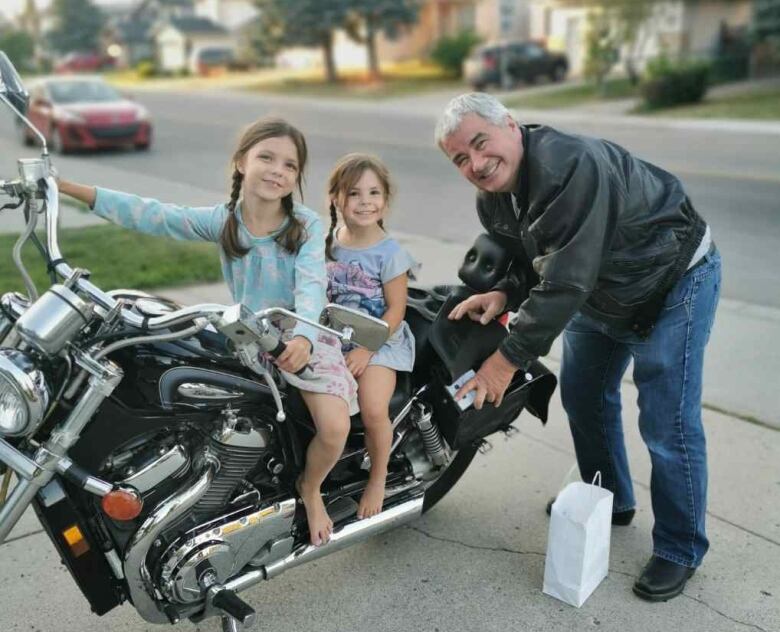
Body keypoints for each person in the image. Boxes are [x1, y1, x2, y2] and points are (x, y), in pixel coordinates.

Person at [436, 93, 720, 602]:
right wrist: (504, 291)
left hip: (672, 282)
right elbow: (541, 259)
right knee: (583, 395)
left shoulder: (572, 165)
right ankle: (610, 499)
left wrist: (505, 362)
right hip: (599, 291)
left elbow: (566, 280)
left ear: (510, 125)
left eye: (480, 143)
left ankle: (680, 548)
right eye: (460, 159)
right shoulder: (495, 195)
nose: (476, 164)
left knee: (667, 421)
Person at [58, 117, 357, 547]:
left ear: (296, 178)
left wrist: (304, 339)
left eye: (290, 165)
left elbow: (311, 284)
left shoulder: (306, 225)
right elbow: (155, 215)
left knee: (333, 427)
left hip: (300, 330)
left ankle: (311, 490)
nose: (277, 170)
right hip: (245, 333)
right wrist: (70, 189)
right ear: (241, 163)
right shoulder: (225, 222)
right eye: (266, 158)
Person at [324, 153, 418, 519]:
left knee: (374, 406)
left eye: (374, 193)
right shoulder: (332, 241)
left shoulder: (390, 253)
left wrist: (366, 349)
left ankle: (377, 477)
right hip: (336, 334)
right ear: (336, 199)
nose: (365, 202)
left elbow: (396, 310)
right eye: (354, 194)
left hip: (380, 340)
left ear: (386, 201)